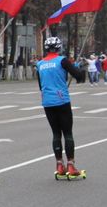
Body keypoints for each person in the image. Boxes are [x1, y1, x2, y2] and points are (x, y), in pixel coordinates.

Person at [36, 36, 87, 178]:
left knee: (56, 133)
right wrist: (79, 68)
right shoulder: (62, 61)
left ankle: (59, 164)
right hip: (62, 100)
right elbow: (79, 77)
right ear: (59, 48)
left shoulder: (39, 64)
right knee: (68, 133)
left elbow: (41, 86)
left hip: (47, 101)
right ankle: (70, 165)